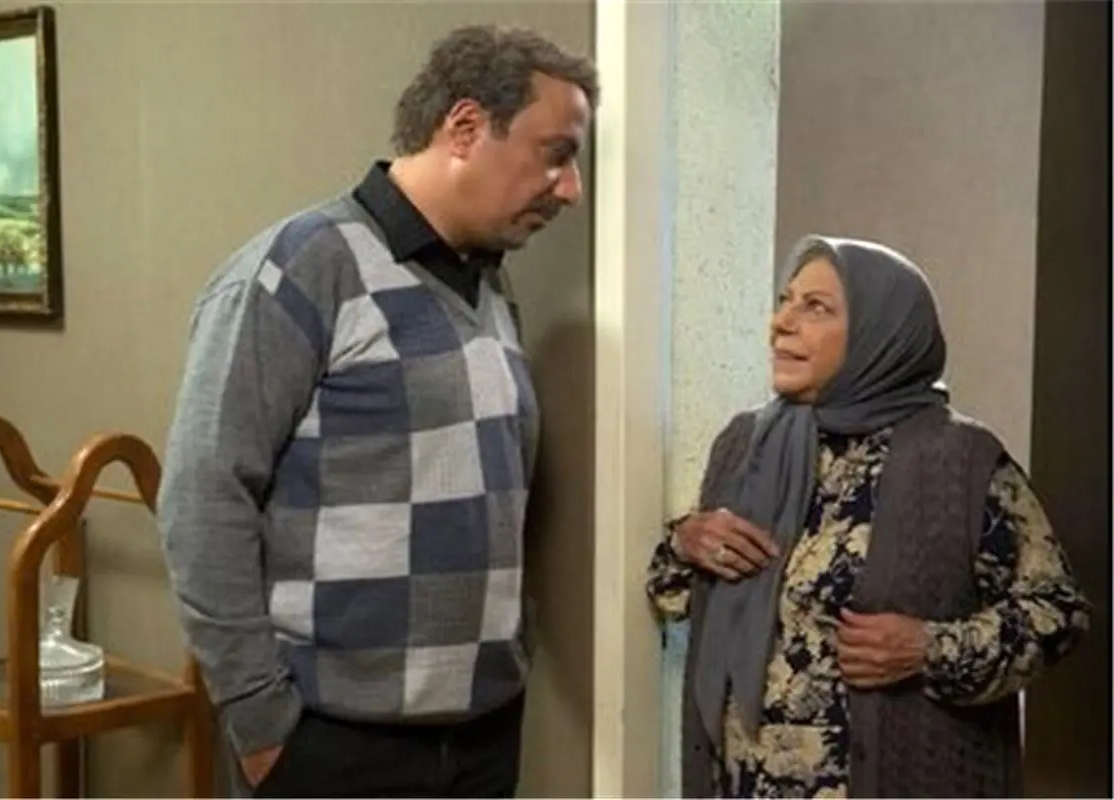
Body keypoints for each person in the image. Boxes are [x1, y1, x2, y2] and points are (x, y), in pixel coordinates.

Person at [157, 24, 597, 799]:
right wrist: (261, 723)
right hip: (332, 747)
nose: (571, 189)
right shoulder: (300, 269)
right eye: (556, 154)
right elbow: (201, 500)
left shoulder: (491, 286)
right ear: (465, 127)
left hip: (481, 739)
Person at [646, 235, 1090, 798]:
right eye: (785, 301)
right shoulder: (743, 445)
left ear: (881, 332)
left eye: (815, 307)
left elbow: (1057, 614)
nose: (781, 323)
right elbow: (673, 597)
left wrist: (930, 649)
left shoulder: (960, 461)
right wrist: (685, 543)